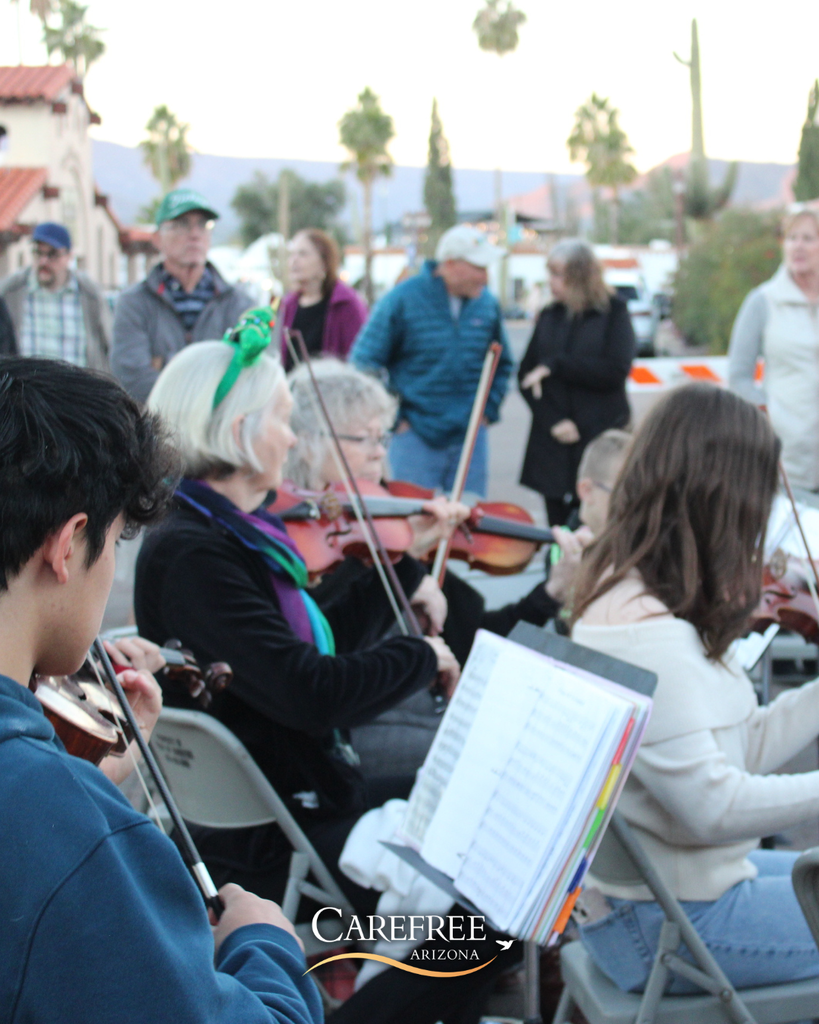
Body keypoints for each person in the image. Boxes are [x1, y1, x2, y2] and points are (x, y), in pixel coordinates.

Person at [0, 355, 322, 1023]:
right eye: (118, 538)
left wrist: (88, 780)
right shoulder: (52, 816)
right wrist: (263, 945)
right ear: (69, 545)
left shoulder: (52, 804)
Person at [134, 312, 458, 910]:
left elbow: (309, 655)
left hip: (301, 793)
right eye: (283, 421)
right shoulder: (195, 554)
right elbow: (310, 694)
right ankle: (378, 1000)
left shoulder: (230, 531)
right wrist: (421, 654)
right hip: (269, 840)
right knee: (485, 912)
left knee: (473, 812)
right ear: (240, 431)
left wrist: (396, 563)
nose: (291, 438)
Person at [570, 382, 819, 994]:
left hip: (675, 896)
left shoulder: (639, 598)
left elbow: (740, 751)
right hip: (667, 924)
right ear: (723, 500)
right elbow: (715, 808)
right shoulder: (643, 633)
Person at [351, 224, 513, 497]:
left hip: (470, 436)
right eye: (479, 267)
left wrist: (488, 410)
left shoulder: (487, 304)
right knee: (414, 521)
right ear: (450, 264)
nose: (485, 277)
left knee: (469, 523)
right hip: (414, 435)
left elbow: (503, 363)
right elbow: (363, 363)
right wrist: (395, 419)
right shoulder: (402, 299)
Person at [518, 239, 635, 526]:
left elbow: (615, 370)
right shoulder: (549, 315)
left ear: (581, 276)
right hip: (554, 440)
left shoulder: (614, 313)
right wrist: (554, 420)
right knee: (557, 530)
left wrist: (557, 365)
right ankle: (559, 568)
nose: (551, 283)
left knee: (597, 524)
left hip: (598, 434)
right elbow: (526, 375)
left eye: (558, 275)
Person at [112, 188, 253, 402]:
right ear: (157, 239)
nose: (195, 234)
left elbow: (249, 374)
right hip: (157, 432)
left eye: (203, 225)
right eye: (182, 224)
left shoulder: (239, 303)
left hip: (220, 433)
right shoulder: (134, 302)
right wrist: (213, 375)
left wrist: (164, 363)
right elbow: (132, 377)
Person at [728, 205, 819, 490]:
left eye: (808, 237)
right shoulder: (763, 301)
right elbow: (739, 375)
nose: (798, 246)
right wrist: (769, 415)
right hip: (788, 457)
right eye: (792, 238)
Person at [0, 222, 111, 370]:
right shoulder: (11, 290)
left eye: (52, 254)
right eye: (38, 253)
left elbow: (110, 344)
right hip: (27, 390)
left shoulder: (89, 294)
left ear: (69, 256)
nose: (43, 261)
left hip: (78, 388)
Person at [282, 230, 368, 371]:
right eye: (291, 254)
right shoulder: (287, 305)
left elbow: (359, 360)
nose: (293, 261)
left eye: (302, 254)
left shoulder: (347, 304)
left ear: (324, 262)